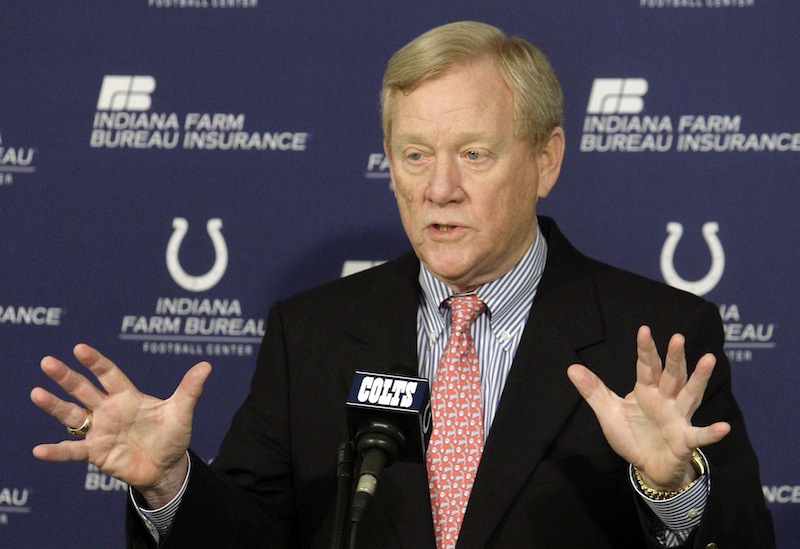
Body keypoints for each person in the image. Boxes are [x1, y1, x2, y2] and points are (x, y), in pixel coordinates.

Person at [31, 20, 774, 548]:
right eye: (415, 155)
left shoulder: (657, 336)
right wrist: (170, 485)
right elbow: (253, 534)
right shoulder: (312, 331)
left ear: (546, 160)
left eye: (474, 154)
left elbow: (742, 538)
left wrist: (673, 491)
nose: (438, 188)